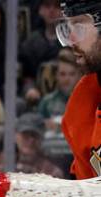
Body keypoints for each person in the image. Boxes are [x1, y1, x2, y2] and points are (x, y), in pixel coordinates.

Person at [57, 0, 101, 179]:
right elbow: (83, 189)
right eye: (69, 28)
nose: (71, 40)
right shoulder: (82, 98)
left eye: (79, 27)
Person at [0, 112, 65, 177]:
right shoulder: (4, 159)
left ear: (42, 138)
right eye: (26, 135)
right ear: (15, 136)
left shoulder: (51, 171)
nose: (31, 140)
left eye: (35, 135)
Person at [40, 49, 81, 134]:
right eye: (62, 74)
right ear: (56, 76)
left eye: (72, 74)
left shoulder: (88, 101)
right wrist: (45, 124)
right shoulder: (46, 102)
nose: (67, 79)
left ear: (79, 75)